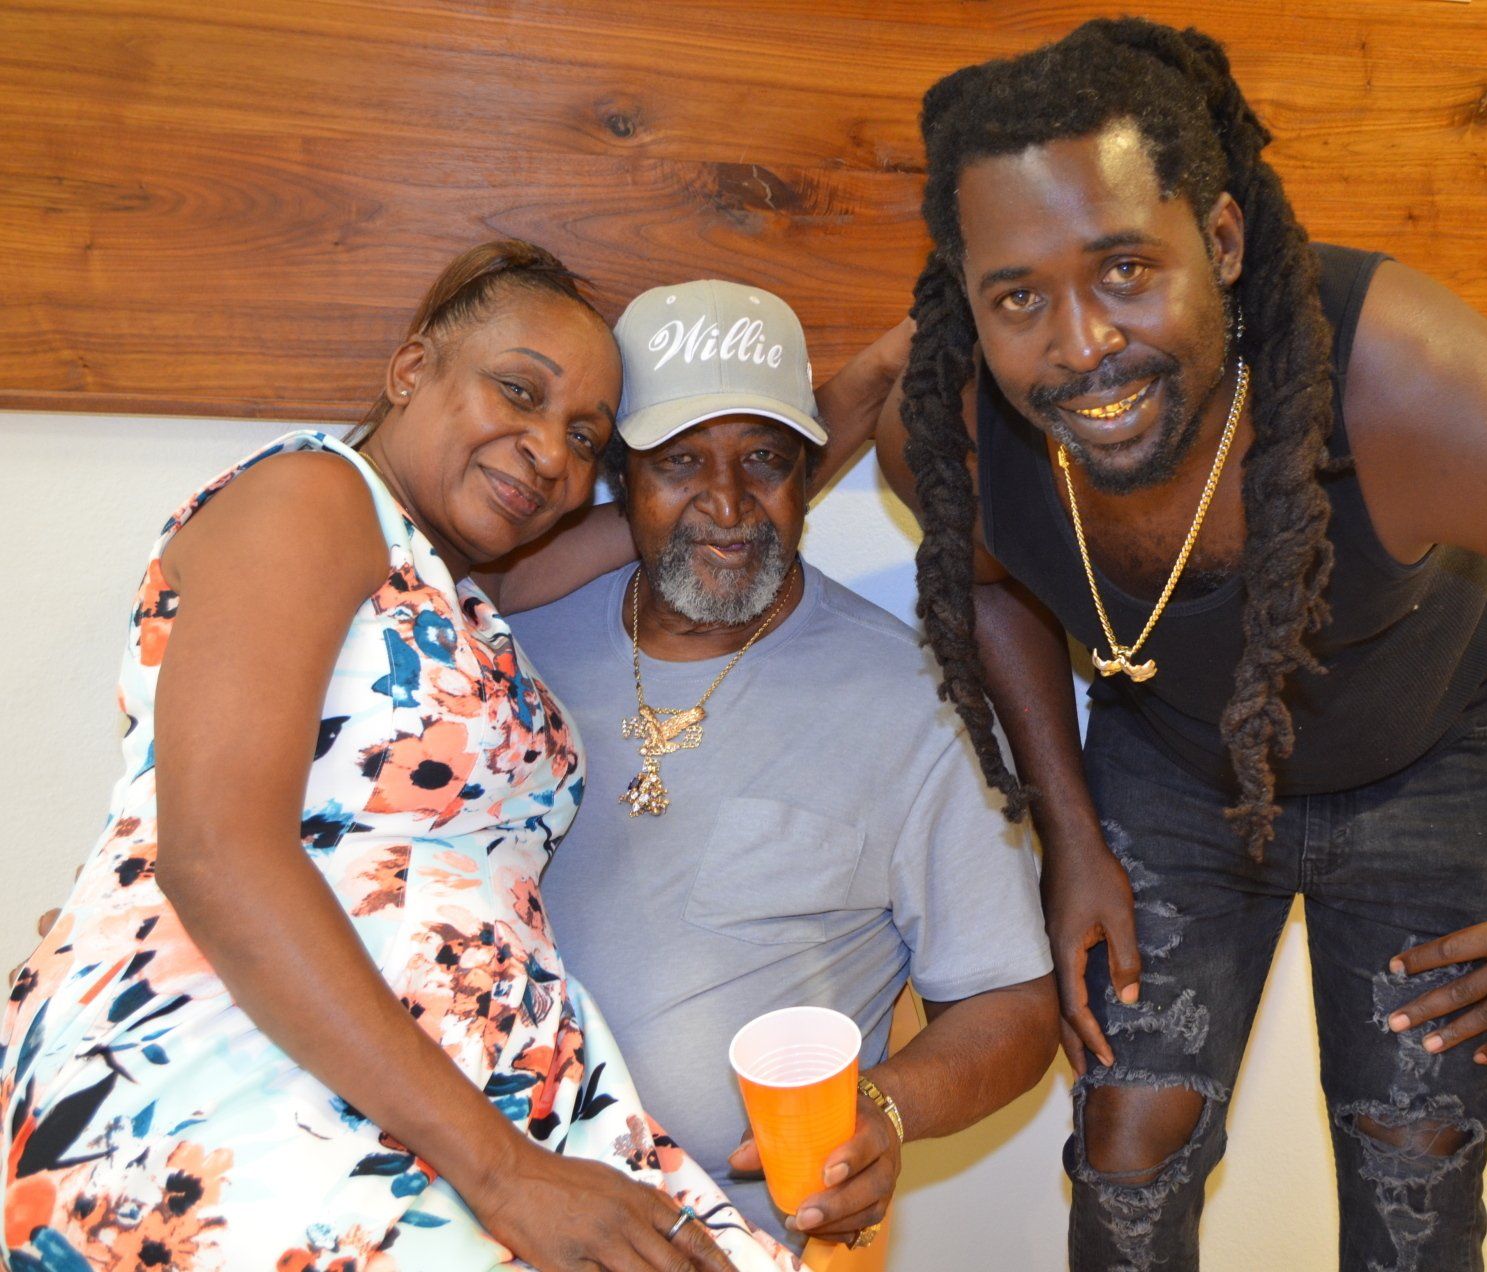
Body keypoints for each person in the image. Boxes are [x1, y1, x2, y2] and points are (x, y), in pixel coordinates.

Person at [874, 19, 1487, 1271]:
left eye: (1125, 268)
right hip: (1172, 770)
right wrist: (1072, 834)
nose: (1080, 344)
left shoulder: (1411, 387)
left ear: (1223, 240)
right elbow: (994, 587)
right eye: (1018, 297)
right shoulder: (950, 431)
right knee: (1130, 1148)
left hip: (1431, 763)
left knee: (1414, 1173)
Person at [0, 242, 868, 1271]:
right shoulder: (312, 498)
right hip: (255, 1081)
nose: (548, 452)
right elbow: (217, 853)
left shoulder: (458, 587)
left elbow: (713, 518)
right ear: (412, 368)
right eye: (520, 391)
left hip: (448, 1107)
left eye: (584, 437)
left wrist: (907, 343)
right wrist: (505, 1175)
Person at [504, 280, 1058, 1258]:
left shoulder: (920, 707)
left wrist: (886, 1108)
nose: (727, 505)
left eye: (764, 458)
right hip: (470, 1200)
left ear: (808, 469)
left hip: (710, 1239)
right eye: (680, 461)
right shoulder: (508, 643)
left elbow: (1009, 1002)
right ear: (620, 478)